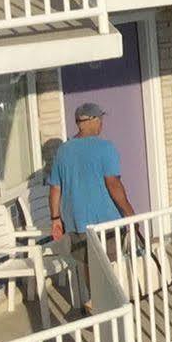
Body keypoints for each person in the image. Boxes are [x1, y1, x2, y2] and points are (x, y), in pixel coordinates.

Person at [48, 101, 137, 313]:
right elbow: (113, 184)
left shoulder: (63, 151)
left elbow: (55, 189)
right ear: (88, 121)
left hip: (77, 221)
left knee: (89, 263)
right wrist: (129, 212)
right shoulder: (105, 148)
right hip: (106, 219)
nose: (101, 124)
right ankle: (112, 304)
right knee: (110, 263)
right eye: (99, 119)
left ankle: (96, 300)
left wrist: (55, 219)